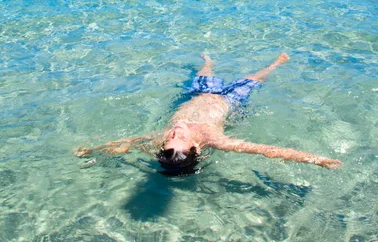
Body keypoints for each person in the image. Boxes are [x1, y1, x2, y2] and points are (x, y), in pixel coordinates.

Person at [75, 53, 342, 174]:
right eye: (178, 138)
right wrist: (316, 159)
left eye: (170, 138)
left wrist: (92, 150)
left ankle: (209, 62)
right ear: (196, 148)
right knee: (253, 79)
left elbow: (126, 144)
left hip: (199, 94)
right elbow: (264, 149)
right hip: (229, 99)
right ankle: (274, 65)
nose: (175, 132)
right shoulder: (214, 138)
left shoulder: (162, 138)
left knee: (203, 74)